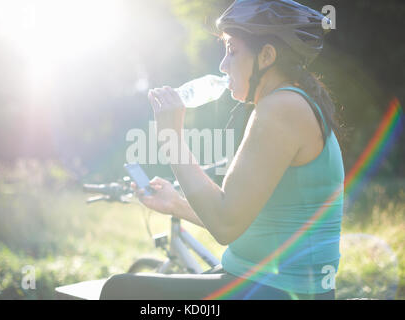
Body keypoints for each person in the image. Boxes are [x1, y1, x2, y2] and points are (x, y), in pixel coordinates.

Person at [100, 0, 344, 300]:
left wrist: (171, 139)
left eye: (232, 51)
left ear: (267, 55)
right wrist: (176, 204)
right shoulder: (288, 104)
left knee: (120, 291)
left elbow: (226, 225)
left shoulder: (282, 108)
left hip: (282, 291)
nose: (222, 65)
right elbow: (244, 219)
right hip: (258, 281)